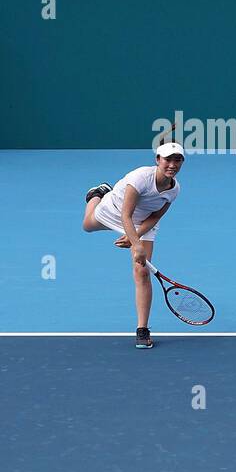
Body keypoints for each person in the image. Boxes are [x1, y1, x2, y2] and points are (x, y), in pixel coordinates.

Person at [81, 143, 185, 348]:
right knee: (87, 226)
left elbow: (156, 216)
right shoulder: (140, 178)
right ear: (158, 160)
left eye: (177, 160)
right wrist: (136, 245)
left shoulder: (174, 190)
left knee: (142, 271)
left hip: (144, 221)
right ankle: (97, 194)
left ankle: (142, 330)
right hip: (115, 209)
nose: (172, 165)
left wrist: (135, 236)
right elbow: (125, 215)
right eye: (167, 160)